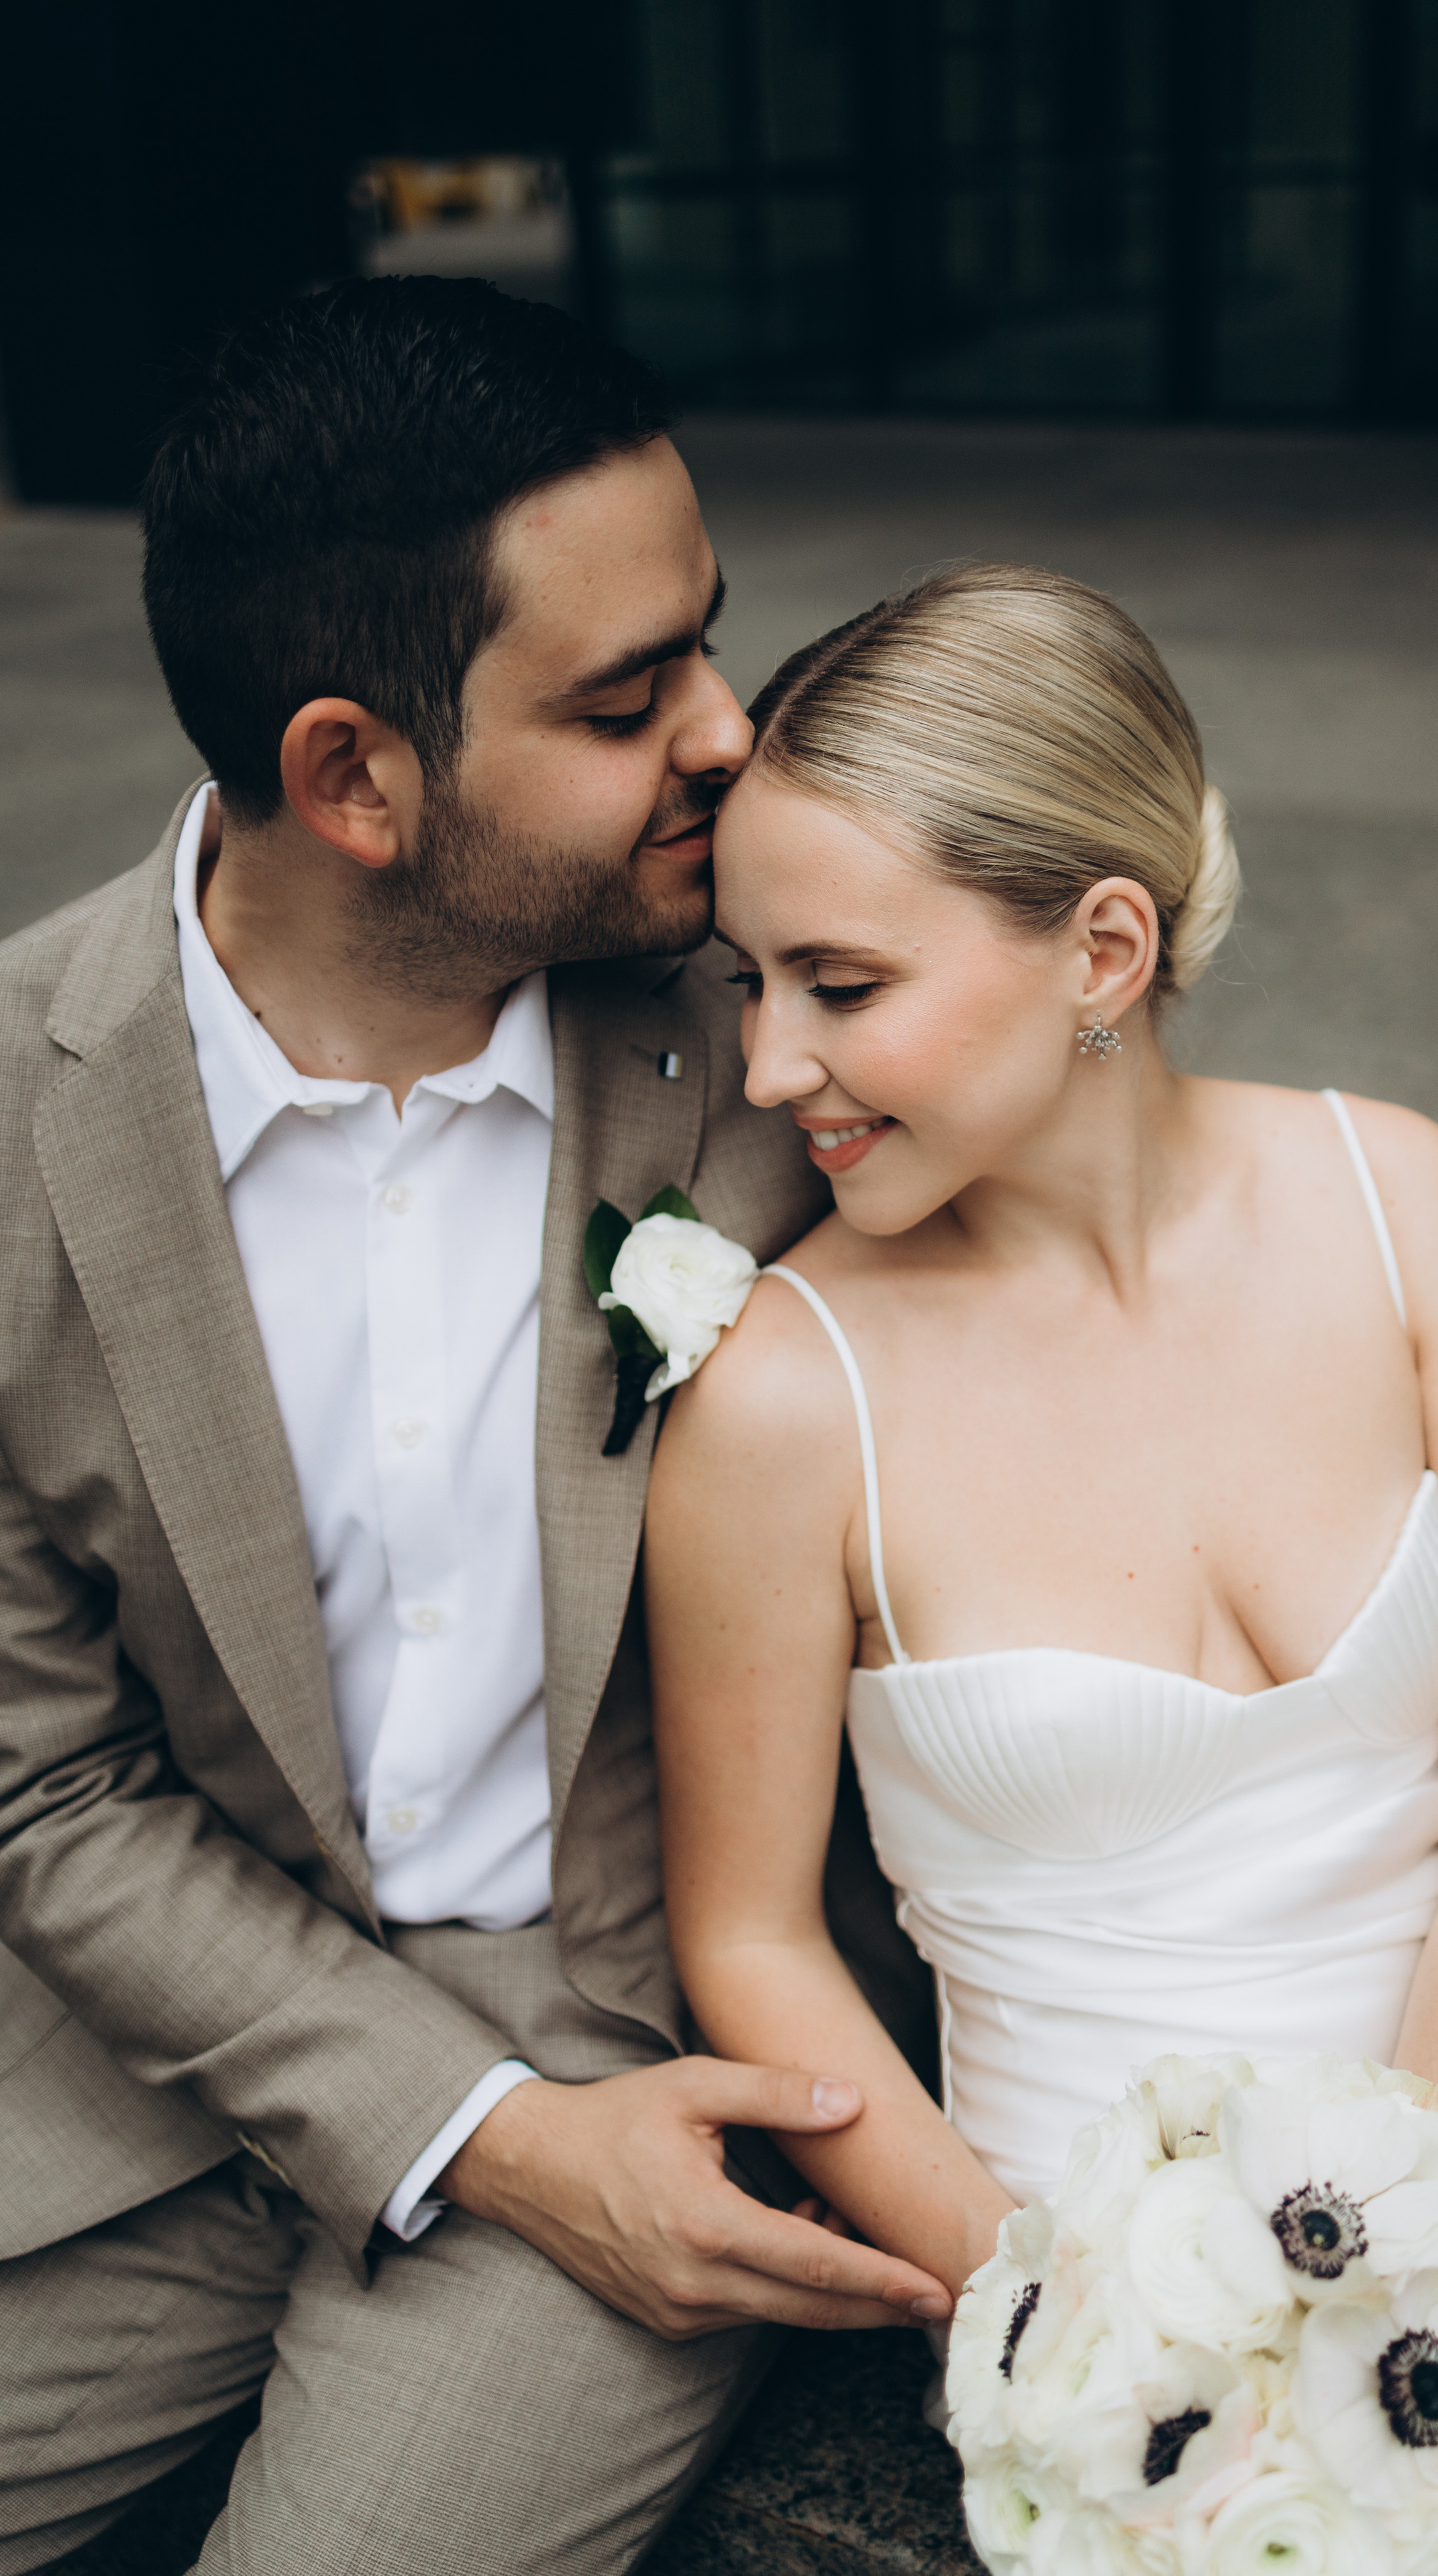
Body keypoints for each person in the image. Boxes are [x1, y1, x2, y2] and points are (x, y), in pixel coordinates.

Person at [0, 278, 954, 2576]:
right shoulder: (21, 1116)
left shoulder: (792, 1021)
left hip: (645, 2062)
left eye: (709, 641)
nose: (737, 735)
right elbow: (38, 1781)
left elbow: (1176, 1303)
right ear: (353, 777)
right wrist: (458, 2121)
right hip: (146, 2076)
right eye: (632, 702)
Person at [647, 563, 1438, 2565]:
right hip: (1121, 2283)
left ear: (1104, 947)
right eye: (749, 983)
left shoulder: (1394, 1192)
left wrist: (1401, 2215)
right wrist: (1060, 2302)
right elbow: (756, 1940)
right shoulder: (791, 1397)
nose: (775, 1066)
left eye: (841, 984)